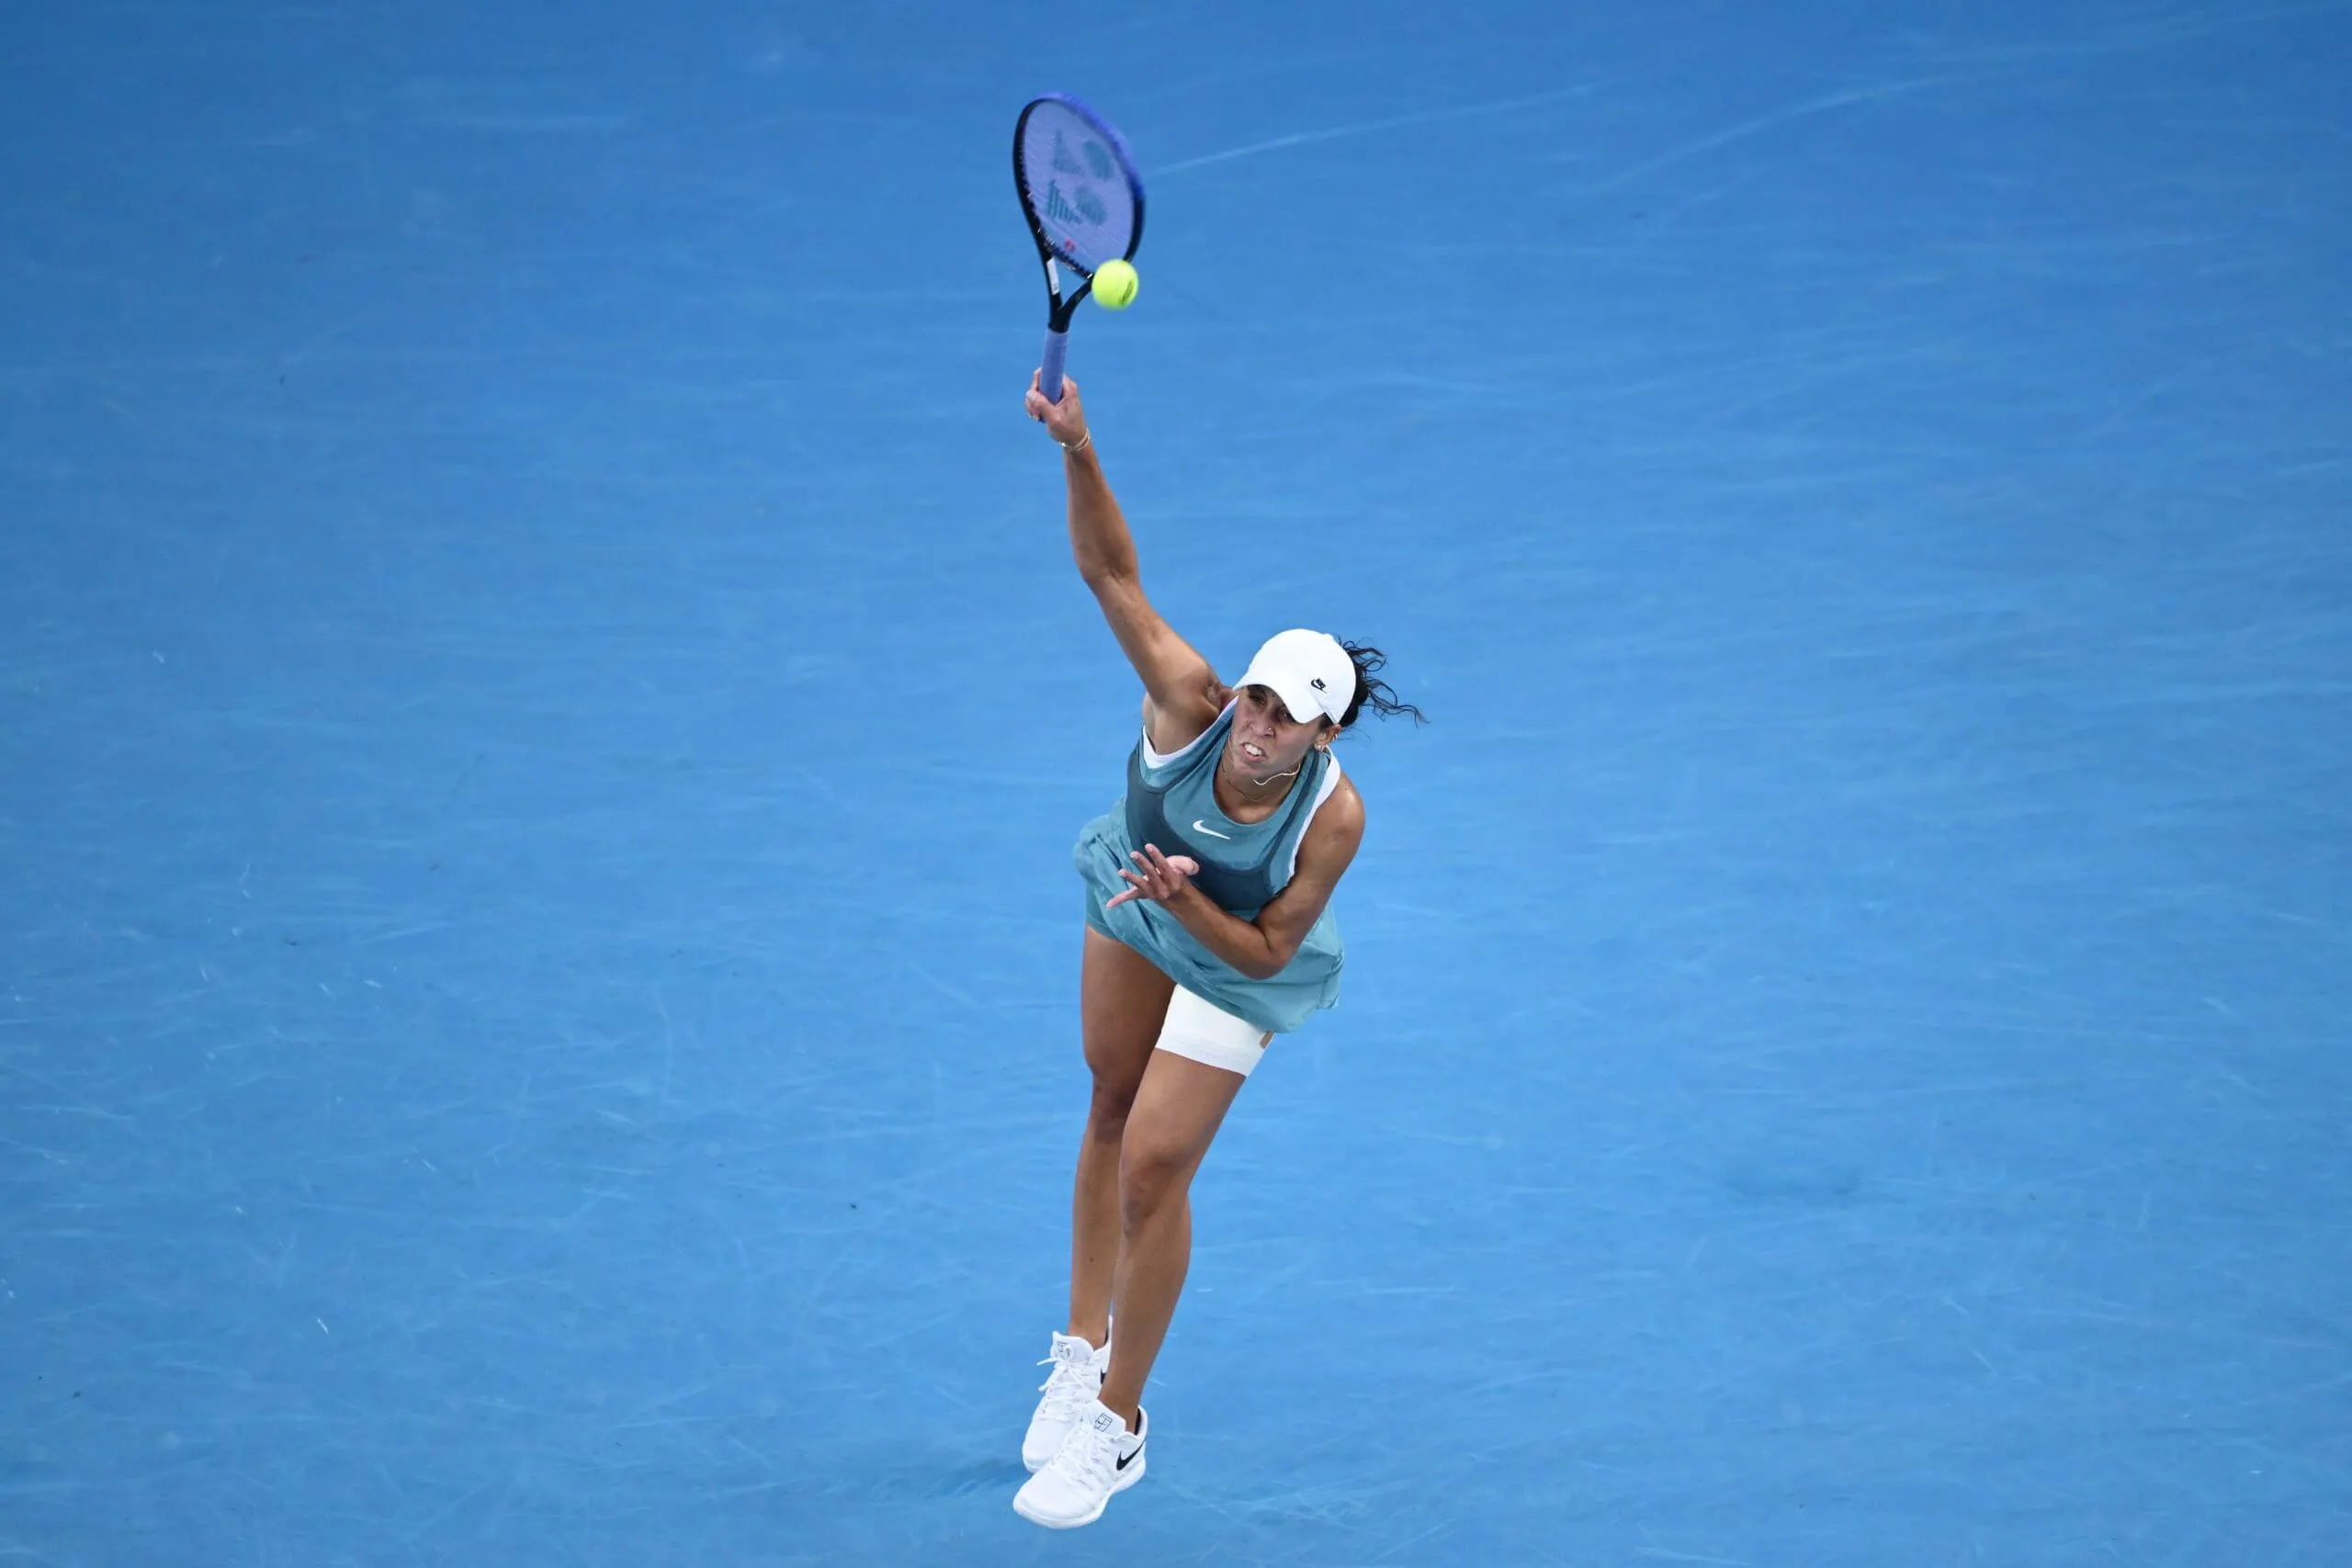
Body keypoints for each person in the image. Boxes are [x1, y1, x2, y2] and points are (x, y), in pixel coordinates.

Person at [1012, 371, 1422, 1529]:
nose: (1254, 729)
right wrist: (1080, 446)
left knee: (1154, 1167)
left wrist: (1187, 903)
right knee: (1107, 1105)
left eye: (1285, 718)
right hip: (1140, 899)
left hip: (1230, 951)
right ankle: (1079, 1349)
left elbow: (1259, 951)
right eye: (1252, 701)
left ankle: (1118, 1429)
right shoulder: (1188, 705)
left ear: (1324, 733)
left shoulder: (1332, 818)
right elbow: (1109, 575)